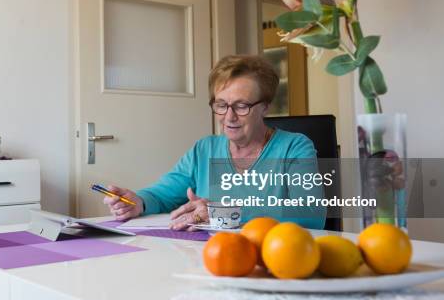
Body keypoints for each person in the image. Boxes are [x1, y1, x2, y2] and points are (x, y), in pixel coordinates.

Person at [104, 54, 326, 230]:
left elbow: (312, 215)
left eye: (241, 106)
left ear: (265, 106)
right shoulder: (204, 149)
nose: (229, 117)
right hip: (209, 257)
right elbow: (163, 194)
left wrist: (223, 213)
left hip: (272, 259)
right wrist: (137, 202)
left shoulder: (294, 147)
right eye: (221, 105)